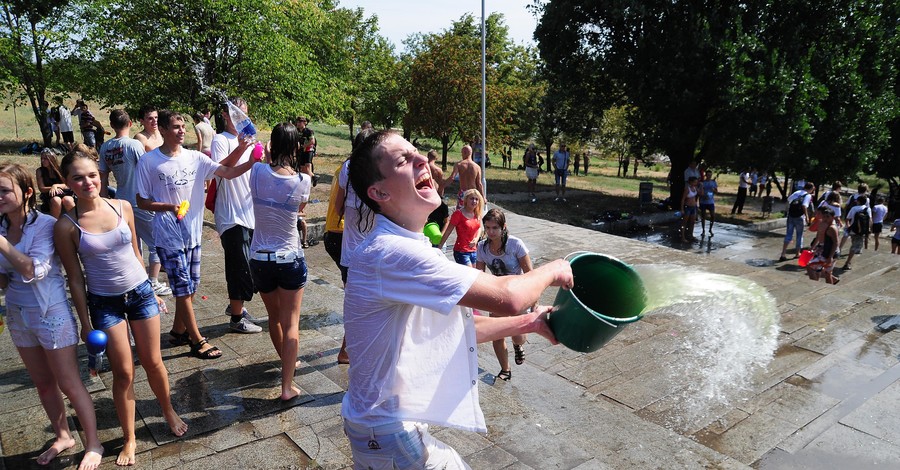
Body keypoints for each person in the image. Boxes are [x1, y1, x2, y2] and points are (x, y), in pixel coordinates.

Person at [341, 130, 573, 466]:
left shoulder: (400, 247)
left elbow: (455, 330)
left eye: (417, 153)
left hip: (376, 426)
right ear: (379, 191)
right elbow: (508, 295)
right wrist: (555, 268)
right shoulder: (392, 253)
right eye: (404, 160)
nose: (422, 160)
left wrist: (530, 323)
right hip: (388, 429)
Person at [55, 146, 188, 466]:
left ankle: (168, 410)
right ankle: (129, 438)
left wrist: (151, 289)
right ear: (67, 182)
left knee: (154, 362)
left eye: (91, 175)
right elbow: (75, 279)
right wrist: (85, 324)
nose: (88, 182)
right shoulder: (66, 226)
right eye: (78, 178)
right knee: (124, 372)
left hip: (141, 294)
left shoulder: (122, 207)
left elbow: (136, 254)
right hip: (105, 303)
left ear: (100, 175)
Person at [0, 163, 104, 470]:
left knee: (70, 383)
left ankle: (94, 443)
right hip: (18, 316)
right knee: (43, 384)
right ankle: (63, 436)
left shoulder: (45, 225)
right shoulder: (3, 228)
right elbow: (6, 280)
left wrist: (2, 245)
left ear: (27, 192)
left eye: (5, 190)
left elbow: (34, 270)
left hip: (51, 314)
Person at [135, 110, 259, 359]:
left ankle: (178, 331)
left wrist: (251, 160)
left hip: (192, 233)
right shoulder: (149, 162)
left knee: (191, 287)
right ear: (164, 131)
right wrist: (169, 207)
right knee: (182, 288)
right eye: (176, 127)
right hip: (168, 234)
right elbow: (142, 201)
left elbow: (226, 170)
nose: (181, 131)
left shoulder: (195, 158)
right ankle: (197, 340)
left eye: (183, 127)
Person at [248, 123, 311, 400]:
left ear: (272, 145)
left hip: (260, 257)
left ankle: (286, 359)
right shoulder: (302, 181)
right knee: (292, 322)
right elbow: (301, 208)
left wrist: (263, 150)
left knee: (274, 317)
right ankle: (287, 385)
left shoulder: (257, 171)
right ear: (297, 147)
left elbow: (258, 156)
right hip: (290, 258)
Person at [99, 109, 172, 296]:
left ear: (112, 125)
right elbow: (147, 170)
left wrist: (104, 199)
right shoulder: (133, 145)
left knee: (134, 243)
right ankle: (153, 282)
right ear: (130, 124)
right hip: (140, 200)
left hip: (121, 200)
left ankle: (137, 279)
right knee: (156, 242)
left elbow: (103, 177)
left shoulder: (105, 148)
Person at [210, 97, 263, 334]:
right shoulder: (220, 140)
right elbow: (218, 170)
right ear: (225, 115)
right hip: (230, 213)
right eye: (236, 115)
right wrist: (241, 148)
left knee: (250, 266)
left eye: (245, 115)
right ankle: (236, 319)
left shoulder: (252, 141)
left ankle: (236, 307)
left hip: (250, 211)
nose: (241, 120)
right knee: (238, 265)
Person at [476, 208, 533, 382]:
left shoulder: (515, 244)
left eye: (495, 228)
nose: (490, 232)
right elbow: (480, 274)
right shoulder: (482, 247)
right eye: (487, 227)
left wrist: (534, 299)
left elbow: (530, 273)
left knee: (518, 335)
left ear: (503, 227)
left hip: (517, 294)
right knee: (497, 333)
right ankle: (505, 369)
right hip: (497, 295)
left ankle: (518, 345)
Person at [439, 188, 484, 267]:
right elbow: (448, 231)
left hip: (474, 251)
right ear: (466, 200)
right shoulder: (458, 214)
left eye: (476, 199)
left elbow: (479, 227)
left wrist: (476, 239)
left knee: (476, 274)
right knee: (469, 273)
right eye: (472, 198)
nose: (474, 201)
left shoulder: (477, 213)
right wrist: (439, 247)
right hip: (461, 251)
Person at [779, 182, 814, 262]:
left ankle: (783, 253)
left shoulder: (797, 192)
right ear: (811, 189)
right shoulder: (808, 196)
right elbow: (804, 206)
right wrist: (807, 217)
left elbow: (789, 200)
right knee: (799, 235)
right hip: (800, 217)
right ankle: (797, 253)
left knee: (788, 234)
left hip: (791, 215)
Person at [35, 148, 75, 218]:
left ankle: (76, 221)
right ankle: (54, 223)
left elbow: (69, 184)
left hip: (64, 192)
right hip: (49, 195)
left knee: (68, 200)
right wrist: (52, 188)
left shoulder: (61, 169)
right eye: (42, 158)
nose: (43, 161)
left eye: (45, 159)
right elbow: (41, 188)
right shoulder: (40, 171)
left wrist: (56, 186)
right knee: (56, 200)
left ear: (51, 159)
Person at [806, 206, 839, 285]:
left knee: (810, 266)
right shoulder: (822, 223)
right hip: (822, 249)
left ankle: (814, 285)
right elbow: (818, 236)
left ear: (832, 217)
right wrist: (812, 248)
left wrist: (830, 257)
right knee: (826, 273)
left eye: (827, 217)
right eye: (824, 216)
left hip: (829, 252)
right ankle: (829, 284)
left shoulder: (832, 228)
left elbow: (836, 242)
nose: (825, 218)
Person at [448, 144, 484, 209]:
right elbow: (479, 184)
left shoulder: (459, 164)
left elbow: (452, 177)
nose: (462, 155)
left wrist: (442, 185)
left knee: (460, 213)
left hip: (463, 193)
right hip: (473, 193)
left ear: (464, 153)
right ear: (471, 153)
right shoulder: (477, 167)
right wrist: (483, 198)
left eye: (462, 153)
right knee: (473, 213)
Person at [841, 195, 871, 271]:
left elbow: (847, 219)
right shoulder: (868, 209)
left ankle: (848, 262)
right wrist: (868, 230)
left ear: (858, 201)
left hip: (853, 230)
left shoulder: (854, 208)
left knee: (854, 244)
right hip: (862, 231)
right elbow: (870, 220)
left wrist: (848, 226)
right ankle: (847, 263)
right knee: (854, 247)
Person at [426, 150, 450, 234]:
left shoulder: (423, 167)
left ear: (428, 156)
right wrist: (441, 196)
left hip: (424, 194)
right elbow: (441, 185)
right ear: (436, 158)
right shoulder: (438, 170)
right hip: (435, 195)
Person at [295, 116, 318, 186]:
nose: (298, 124)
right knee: (302, 169)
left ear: (305, 123)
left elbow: (312, 141)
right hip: (301, 151)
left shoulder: (309, 131)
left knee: (307, 168)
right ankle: (314, 177)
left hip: (309, 150)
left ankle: (309, 182)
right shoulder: (296, 131)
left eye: (300, 122)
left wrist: (304, 146)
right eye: (297, 122)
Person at [681, 176, 700, 243]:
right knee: (685, 222)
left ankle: (690, 235)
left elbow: (700, 193)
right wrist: (682, 209)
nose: (696, 183)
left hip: (693, 207)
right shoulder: (687, 189)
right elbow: (683, 199)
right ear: (691, 182)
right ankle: (683, 237)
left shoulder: (695, 188)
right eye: (695, 182)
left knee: (692, 222)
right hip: (687, 207)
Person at [699, 170, 718, 237]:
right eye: (708, 175)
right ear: (706, 175)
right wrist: (703, 196)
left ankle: (710, 229)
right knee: (703, 216)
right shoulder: (702, 183)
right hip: (703, 201)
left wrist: (714, 190)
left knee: (712, 216)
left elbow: (716, 192)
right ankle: (703, 230)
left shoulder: (713, 182)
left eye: (710, 175)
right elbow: (699, 193)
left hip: (711, 201)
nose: (709, 176)